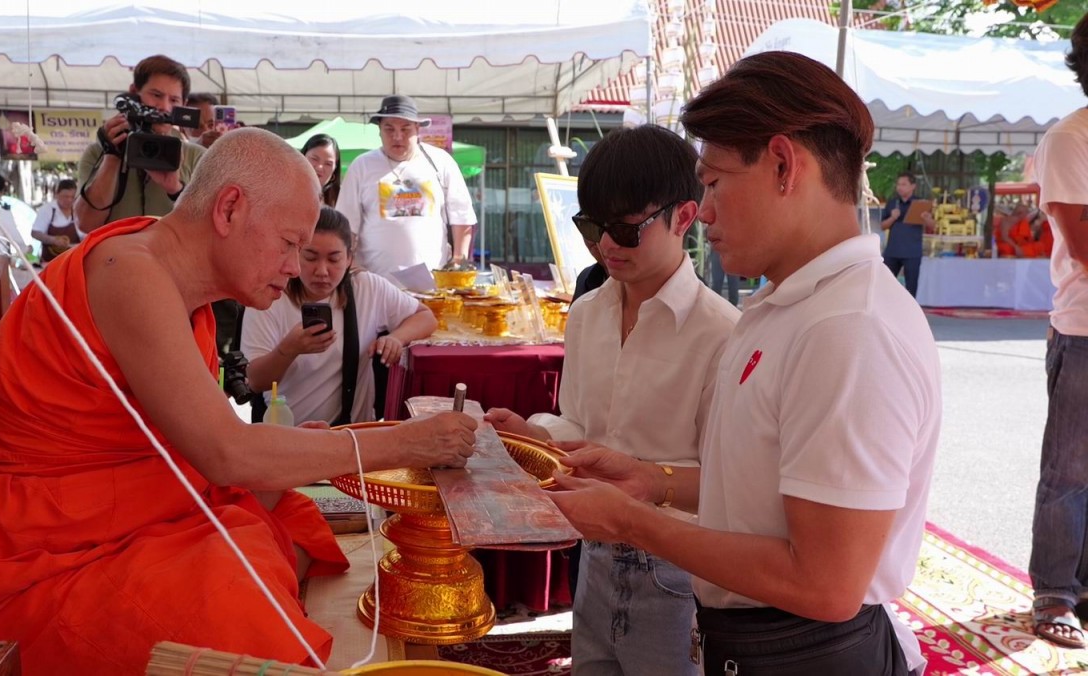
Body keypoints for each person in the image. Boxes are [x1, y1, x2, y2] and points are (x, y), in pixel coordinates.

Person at [0, 128, 478, 674]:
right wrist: (401, 442)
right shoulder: (129, 272)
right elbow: (227, 456)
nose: (294, 268)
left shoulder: (184, 290)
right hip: (34, 549)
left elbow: (197, 454)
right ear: (228, 209)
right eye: (289, 244)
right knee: (232, 593)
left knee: (284, 521)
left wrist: (320, 446)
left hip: (131, 509)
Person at [545, 52, 940, 676]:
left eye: (713, 181)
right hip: (758, 642)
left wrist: (634, 521)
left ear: (784, 166)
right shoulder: (785, 307)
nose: (701, 211)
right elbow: (765, 493)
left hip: (803, 650)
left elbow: (825, 584)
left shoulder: (848, 330)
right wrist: (651, 481)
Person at [484, 125, 740, 676]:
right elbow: (581, 421)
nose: (605, 246)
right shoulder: (587, 311)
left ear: (684, 217)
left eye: (625, 230)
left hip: (676, 565)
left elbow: (730, 485)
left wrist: (646, 480)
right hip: (596, 552)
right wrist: (537, 439)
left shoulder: (723, 333)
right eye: (592, 227)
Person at [242, 206, 436, 426]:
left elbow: (425, 317)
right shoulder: (270, 299)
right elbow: (255, 381)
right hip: (290, 436)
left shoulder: (367, 287)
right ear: (295, 254)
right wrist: (288, 350)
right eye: (311, 257)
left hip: (354, 434)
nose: (322, 271)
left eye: (334, 259)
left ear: (349, 259)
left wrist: (395, 338)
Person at [1027, 12, 1088, 651]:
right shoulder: (1072, 139)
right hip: (1083, 330)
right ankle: (1054, 591)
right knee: (1069, 471)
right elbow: (1085, 244)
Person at [335, 94, 476, 276]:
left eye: (405, 129)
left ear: (418, 129)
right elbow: (346, 226)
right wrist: (352, 267)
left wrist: (458, 261)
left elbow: (462, 215)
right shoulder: (361, 166)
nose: (397, 136)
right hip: (375, 282)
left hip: (432, 282)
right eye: (389, 129)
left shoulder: (441, 162)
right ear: (379, 130)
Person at [74, 54, 205, 232]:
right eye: (156, 95)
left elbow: (207, 230)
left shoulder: (198, 157)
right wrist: (112, 157)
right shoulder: (97, 152)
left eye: (174, 100)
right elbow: (86, 224)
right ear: (133, 93)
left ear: (184, 104)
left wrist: (175, 189)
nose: (164, 107)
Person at [880, 171, 933, 297]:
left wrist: (926, 219)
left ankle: (910, 314)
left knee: (911, 287)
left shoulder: (921, 203)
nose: (900, 187)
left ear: (913, 186)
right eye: (898, 184)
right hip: (893, 251)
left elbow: (932, 225)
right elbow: (882, 226)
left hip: (912, 252)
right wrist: (892, 218)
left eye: (904, 184)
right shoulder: (892, 203)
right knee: (885, 284)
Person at [31, 178, 81, 263]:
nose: (69, 200)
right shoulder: (47, 209)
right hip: (50, 261)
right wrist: (53, 240)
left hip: (73, 260)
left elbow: (85, 235)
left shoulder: (78, 209)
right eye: (65, 196)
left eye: (72, 197)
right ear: (57, 194)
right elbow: (35, 233)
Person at [303, 133, 341, 207]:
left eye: (328, 164)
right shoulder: (284, 191)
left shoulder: (341, 200)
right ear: (302, 156)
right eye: (314, 159)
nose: (320, 167)